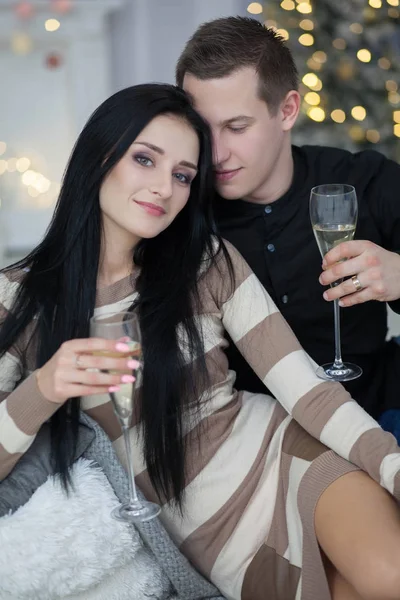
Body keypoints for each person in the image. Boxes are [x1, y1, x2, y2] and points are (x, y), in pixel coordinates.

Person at [1, 83, 400, 600]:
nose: (164, 188)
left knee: (390, 577)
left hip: (287, 456)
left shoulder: (207, 260)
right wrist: (45, 387)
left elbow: (308, 390)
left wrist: (392, 466)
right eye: (145, 159)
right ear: (99, 156)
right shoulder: (19, 296)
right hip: (218, 541)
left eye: (183, 175)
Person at [176, 16, 400, 426]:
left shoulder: (365, 180)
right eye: (202, 130)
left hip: (375, 407)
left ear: (287, 110)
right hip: (254, 435)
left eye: (237, 127)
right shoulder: (180, 208)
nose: (217, 153)